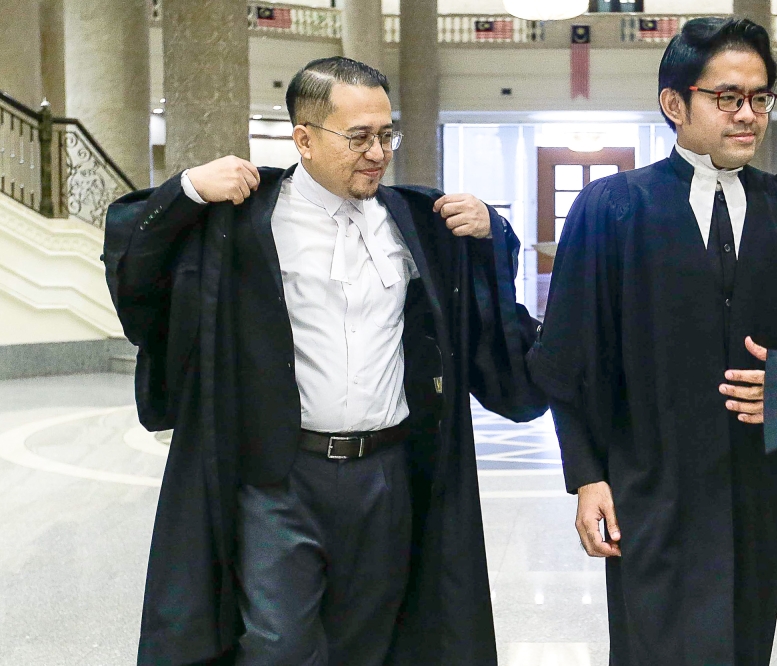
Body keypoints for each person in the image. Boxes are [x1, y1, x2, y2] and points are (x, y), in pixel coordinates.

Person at [103, 56, 546, 666]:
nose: (377, 152)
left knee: (368, 640)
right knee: (278, 644)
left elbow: (484, 312)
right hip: (280, 475)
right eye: (358, 136)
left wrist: (492, 231)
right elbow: (138, 275)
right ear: (304, 139)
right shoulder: (244, 219)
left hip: (386, 473)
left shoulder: (415, 222)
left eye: (386, 134)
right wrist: (185, 192)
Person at [527, 18, 777, 666]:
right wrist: (586, 477)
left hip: (758, 481)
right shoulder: (611, 211)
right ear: (674, 103)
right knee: (650, 643)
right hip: (646, 481)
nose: (748, 115)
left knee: (744, 642)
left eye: (759, 98)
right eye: (727, 98)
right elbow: (569, 359)